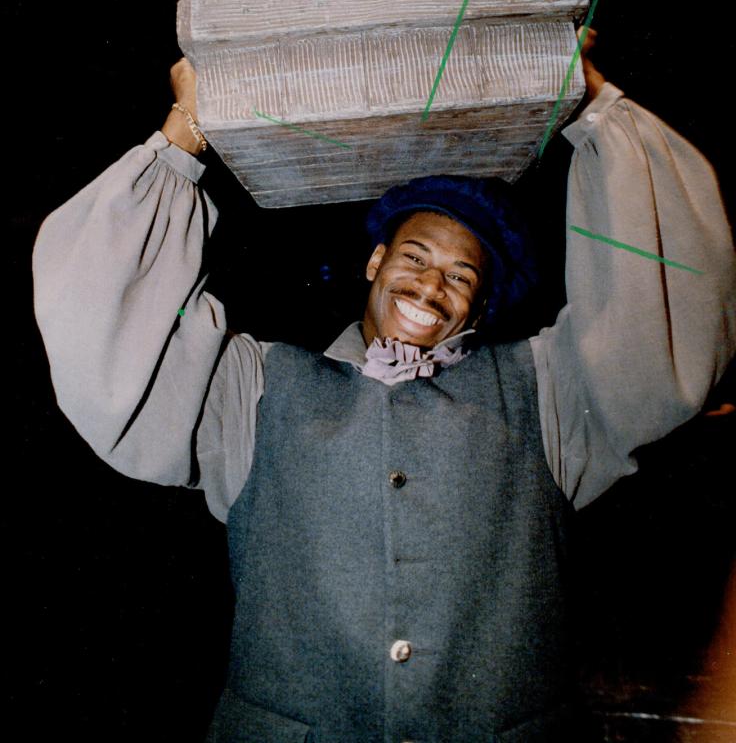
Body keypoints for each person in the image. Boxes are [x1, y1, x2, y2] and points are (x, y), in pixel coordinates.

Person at [32, 38, 735, 742]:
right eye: (416, 257)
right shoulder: (252, 390)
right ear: (375, 261)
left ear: (479, 309)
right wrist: (182, 136)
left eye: (462, 277)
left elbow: (662, 309)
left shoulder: (549, 393)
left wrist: (595, 107)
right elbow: (108, 332)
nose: (432, 286)